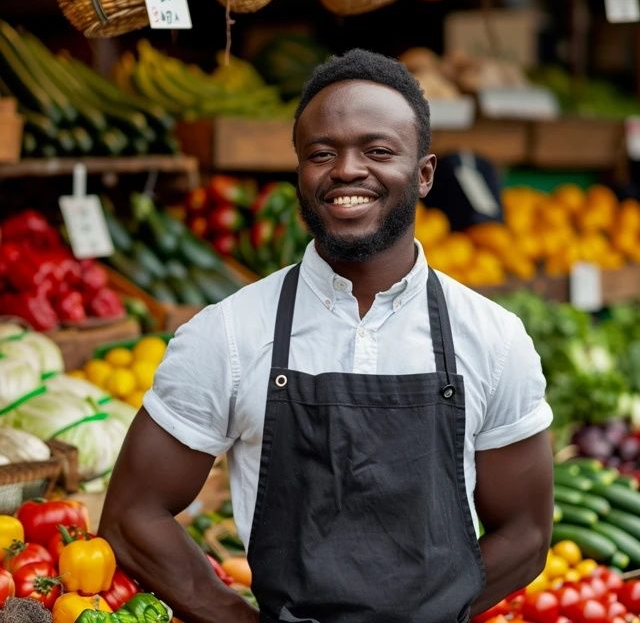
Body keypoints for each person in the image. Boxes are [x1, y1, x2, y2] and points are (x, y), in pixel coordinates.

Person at [99, 49, 554, 623]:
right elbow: (131, 517)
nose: (346, 170)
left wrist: (436, 613)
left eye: (378, 151)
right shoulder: (230, 333)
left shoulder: (493, 338)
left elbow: (528, 532)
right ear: (300, 176)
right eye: (322, 153)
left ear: (424, 174)